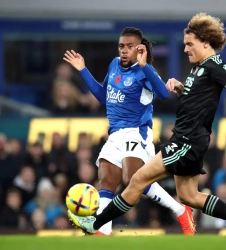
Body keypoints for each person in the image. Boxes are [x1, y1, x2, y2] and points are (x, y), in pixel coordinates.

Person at [67, 14, 226, 235]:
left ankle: (94, 224)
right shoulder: (199, 67)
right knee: (189, 196)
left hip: (186, 139)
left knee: (137, 180)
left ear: (206, 43)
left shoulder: (214, 65)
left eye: (190, 44)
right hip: (192, 138)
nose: (185, 49)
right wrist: (182, 90)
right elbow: (198, 101)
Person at [63, 27, 195, 236]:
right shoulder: (114, 64)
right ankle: (104, 231)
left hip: (136, 132)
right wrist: (83, 69)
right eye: (121, 46)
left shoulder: (144, 71)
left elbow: (162, 93)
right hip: (115, 134)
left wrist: (145, 65)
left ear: (139, 49)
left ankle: (181, 209)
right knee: (106, 181)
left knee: (133, 180)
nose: (124, 50)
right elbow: (104, 97)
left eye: (130, 46)